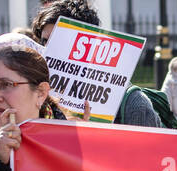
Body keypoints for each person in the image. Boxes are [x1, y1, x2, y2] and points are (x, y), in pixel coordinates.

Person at [32, 0, 163, 128]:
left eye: (59, 40)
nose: (48, 50)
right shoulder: (37, 96)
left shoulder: (134, 104)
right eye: (45, 42)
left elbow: (149, 149)